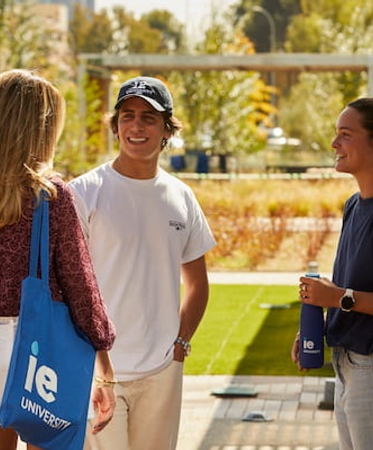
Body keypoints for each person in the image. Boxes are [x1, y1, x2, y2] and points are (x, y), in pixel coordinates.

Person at [69, 76, 216, 450]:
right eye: (127, 116)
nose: (137, 126)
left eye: (149, 118)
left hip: (162, 370)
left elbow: (198, 284)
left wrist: (181, 343)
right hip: (98, 370)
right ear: (115, 125)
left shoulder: (181, 197)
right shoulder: (84, 192)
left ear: (167, 129)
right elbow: (67, 284)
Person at [0, 69, 117, 450]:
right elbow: (81, 288)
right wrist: (104, 368)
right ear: (42, 129)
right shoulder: (51, 197)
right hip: (42, 357)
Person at [291, 97, 373, 450]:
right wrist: (319, 324)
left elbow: (345, 294)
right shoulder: (353, 206)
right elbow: (349, 286)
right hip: (346, 366)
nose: (334, 144)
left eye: (345, 134)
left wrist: (337, 298)